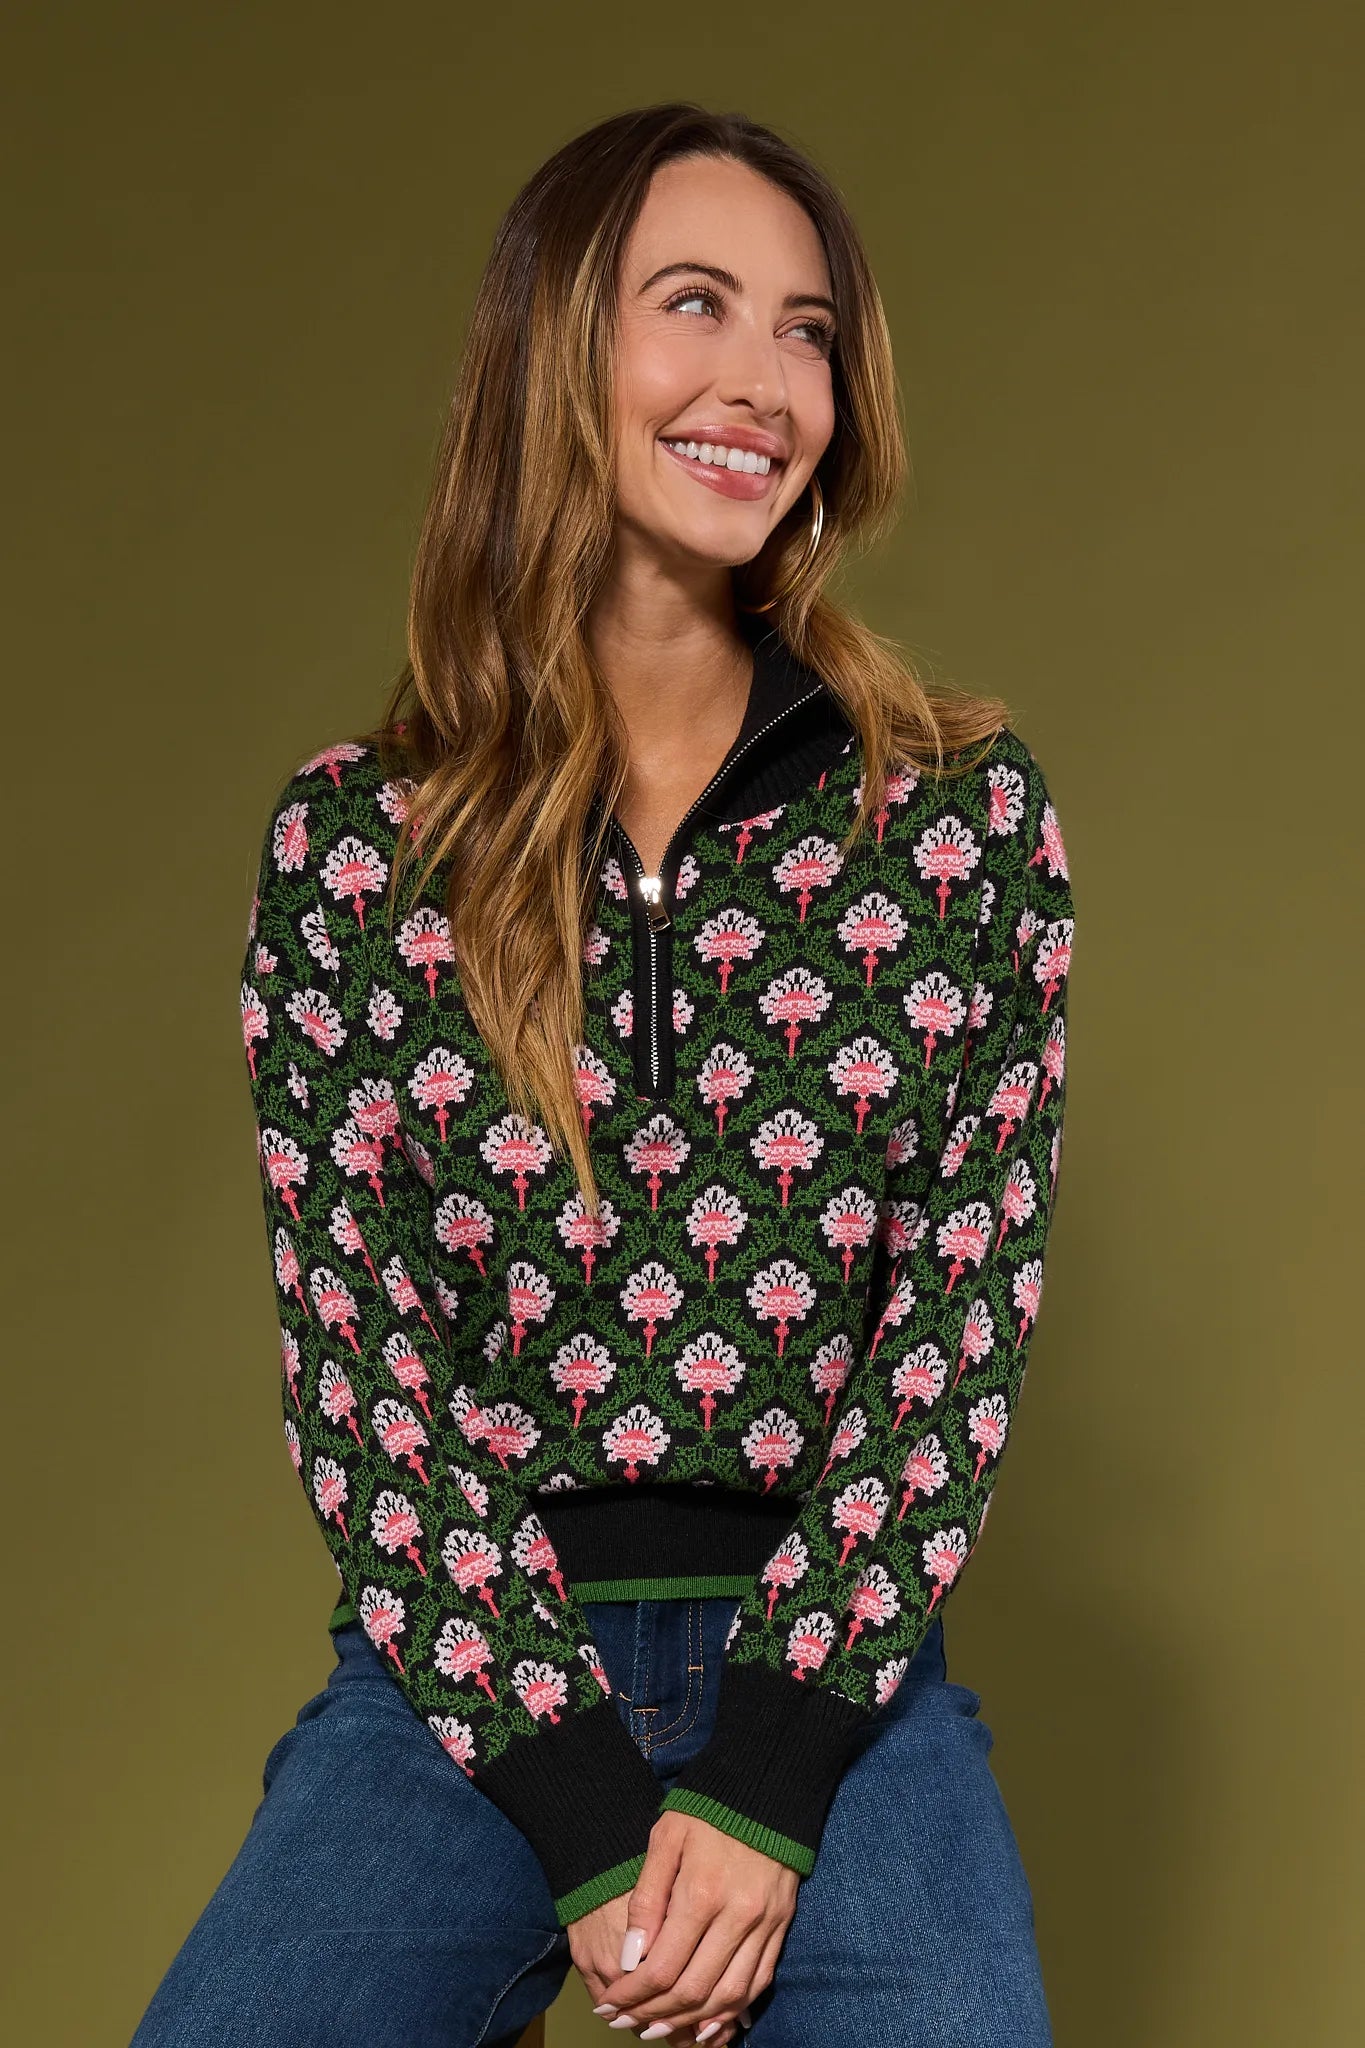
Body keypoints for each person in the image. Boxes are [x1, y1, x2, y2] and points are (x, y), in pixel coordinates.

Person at [130, 102, 1074, 2048]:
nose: (765, 383)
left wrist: (768, 1774)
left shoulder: (957, 821)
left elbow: (953, 1336)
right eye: (695, 304)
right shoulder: (355, 849)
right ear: (554, 349)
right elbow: (362, 1372)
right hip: (463, 1683)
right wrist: (575, 1809)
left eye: (807, 331)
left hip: (835, 1681)